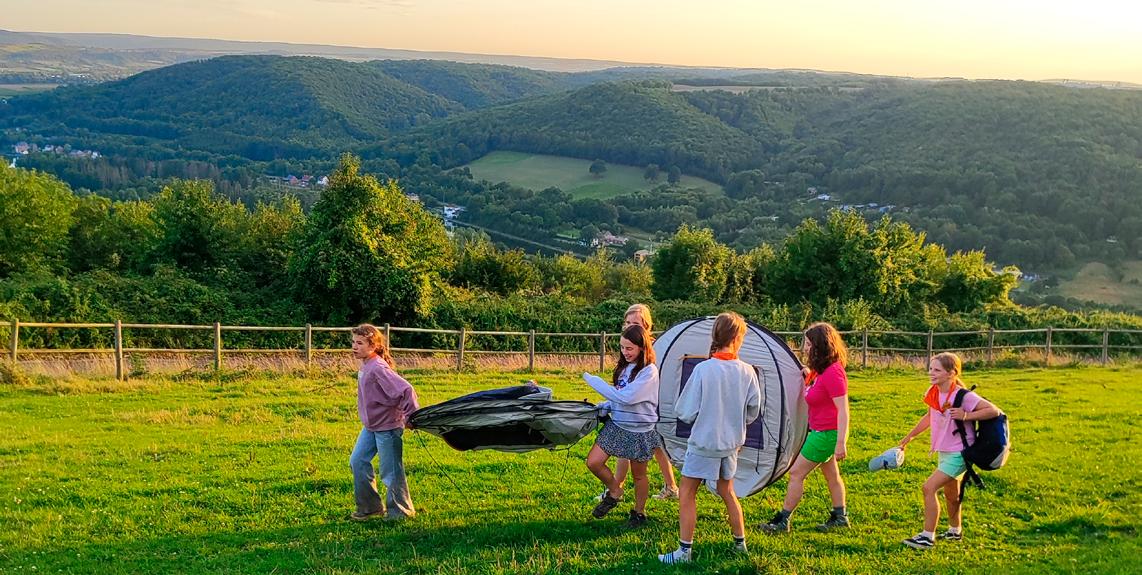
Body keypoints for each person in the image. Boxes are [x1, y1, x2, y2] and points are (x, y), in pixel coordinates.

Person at [658, 312, 762, 564]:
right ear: (738, 339)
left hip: (704, 444)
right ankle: (740, 545)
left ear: (715, 335)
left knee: (687, 492)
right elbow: (753, 410)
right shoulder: (747, 371)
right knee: (727, 491)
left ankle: (684, 552)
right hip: (731, 445)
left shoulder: (704, 370)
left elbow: (685, 410)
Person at [898, 352, 1001, 549]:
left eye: (937, 370)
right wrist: (909, 436)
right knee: (951, 493)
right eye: (930, 369)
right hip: (944, 450)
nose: (931, 373)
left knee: (928, 488)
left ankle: (927, 537)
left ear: (951, 373)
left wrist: (966, 415)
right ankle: (955, 531)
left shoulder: (963, 396)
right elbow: (930, 417)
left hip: (959, 452)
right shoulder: (934, 392)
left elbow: (993, 411)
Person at [761, 322, 852, 533]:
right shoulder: (822, 371)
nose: (805, 348)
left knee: (796, 473)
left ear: (821, 346)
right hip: (821, 432)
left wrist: (841, 442)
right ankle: (840, 517)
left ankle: (782, 520)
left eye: (809, 344)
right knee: (832, 475)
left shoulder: (834, 373)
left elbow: (843, 409)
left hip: (826, 435)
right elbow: (819, 390)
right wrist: (807, 374)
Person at [583, 324, 660, 528]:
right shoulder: (625, 368)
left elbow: (628, 398)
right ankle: (615, 491)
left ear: (642, 347)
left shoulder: (649, 372)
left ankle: (639, 513)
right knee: (593, 462)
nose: (625, 352)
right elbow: (619, 395)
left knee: (639, 475)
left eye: (629, 348)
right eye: (622, 347)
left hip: (639, 430)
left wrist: (595, 381)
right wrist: (605, 406)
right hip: (617, 425)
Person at [604, 304, 681, 502]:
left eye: (635, 322)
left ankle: (617, 490)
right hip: (634, 405)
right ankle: (670, 487)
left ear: (646, 325)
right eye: (627, 322)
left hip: (648, 405)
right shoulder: (629, 345)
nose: (630, 326)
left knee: (650, 446)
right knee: (654, 446)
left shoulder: (652, 348)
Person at [348, 324, 420, 521]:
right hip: (371, 426)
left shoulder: (378, 368)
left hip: (388, 427)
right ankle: (370, 508)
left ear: (373, 346)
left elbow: (406, 390)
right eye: (353, 342)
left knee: (391, 471)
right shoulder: (366, 365)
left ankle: (401, 512)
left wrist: (411, 416)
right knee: (358, 461)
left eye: (360, 343)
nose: (354, 346)